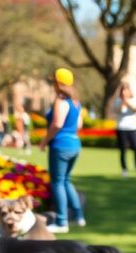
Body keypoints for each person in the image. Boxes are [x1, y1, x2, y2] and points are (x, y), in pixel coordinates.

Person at [38, 68, 85, 234]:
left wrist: (44, 141)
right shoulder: (76, 102)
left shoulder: (60, 101)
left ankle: (61, 221)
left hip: (60, 145)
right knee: (66, 180)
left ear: (58, 83)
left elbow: (57, 124)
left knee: (57, 182)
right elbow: (79, 125)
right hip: (74, 144)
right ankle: (79, 216)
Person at [114, 82, 136, 177]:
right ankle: (124, 170)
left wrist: (127, 102)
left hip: (133, 128)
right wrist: (122, 102)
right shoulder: (118, 101)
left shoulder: (134, 100)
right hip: (121, 128)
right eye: (123, 90)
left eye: (126, 90)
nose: (124, 92)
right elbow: (117, 111)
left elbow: (135, 109)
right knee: (123, 149)